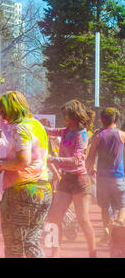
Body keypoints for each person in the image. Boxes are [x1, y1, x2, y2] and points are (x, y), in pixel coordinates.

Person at [0, 91, 52, 258]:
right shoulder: (37, 125)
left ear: (13, 109)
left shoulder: (21, 128)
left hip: (23, 192)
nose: (3, 117)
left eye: (4, 112)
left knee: (15, 245)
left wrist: (1, 165)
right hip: (43, 189)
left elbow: (23, 161)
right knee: (31, 242)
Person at [45, 99, 96, 258]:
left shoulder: (82, 134)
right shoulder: (66, 130)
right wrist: (32, 122)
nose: (64, 117)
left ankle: (92, 254)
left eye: (66, 114)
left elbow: (76, 160)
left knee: (83, 220)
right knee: (54, 217)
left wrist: (53, 159)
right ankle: (55, 252)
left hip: (79, 180)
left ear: (74, 114)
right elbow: (49, 130)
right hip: (65, 180)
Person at [86, 108, 125, 242]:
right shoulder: (122, 135)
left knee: (104, 207)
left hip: (102, 179)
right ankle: (119, 224)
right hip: (118, 177)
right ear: (115, 119)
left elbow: (90, 158)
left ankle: (108, 233)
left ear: (101, 120)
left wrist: (85, 173)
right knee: (122, 205)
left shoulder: (98, 136)